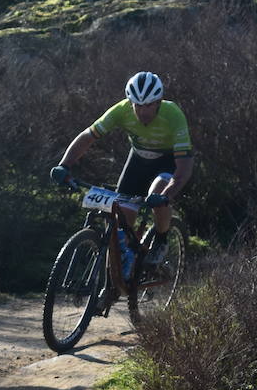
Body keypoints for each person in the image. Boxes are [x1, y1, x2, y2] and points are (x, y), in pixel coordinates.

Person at [50, 71, 193, 293]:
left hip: (167, 163)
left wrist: (167, 195)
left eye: (149, 106)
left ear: (158, 102)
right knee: (122, 217)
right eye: (138, 106)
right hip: (138, 161)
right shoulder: (121, 110)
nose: (143, 111)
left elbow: (184, 167)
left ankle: (162, 239)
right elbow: (88, 136)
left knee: (158, 192)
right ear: (131, 103)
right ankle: (118, 277)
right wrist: (65, 165)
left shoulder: (173, 114)